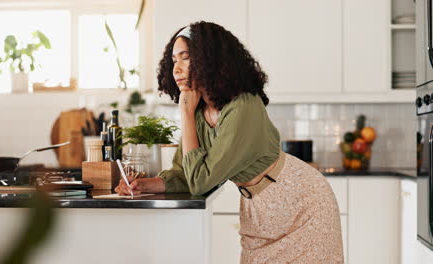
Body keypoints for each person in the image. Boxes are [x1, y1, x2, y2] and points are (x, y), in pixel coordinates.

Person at [115, 21, 344, 263]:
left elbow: (201, 182)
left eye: (185, 58)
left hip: (302, 203)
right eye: (174, 60)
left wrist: (184, 114)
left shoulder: (243, 105)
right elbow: (185, 173)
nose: (176, 68)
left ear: (208, 59)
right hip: (259, 212)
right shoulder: (199, 112)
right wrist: (144, 185)